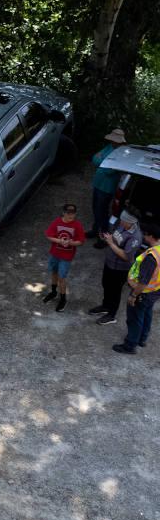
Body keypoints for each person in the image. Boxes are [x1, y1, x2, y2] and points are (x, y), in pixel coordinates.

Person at [89, 211, 142, 325]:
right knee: (106, 284)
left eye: (123, 221)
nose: (121, 222)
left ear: (131, 223)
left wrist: (111, 243)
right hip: (110, 263)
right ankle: (105, 306)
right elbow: (116, 237)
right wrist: (107, 238)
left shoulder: (135, 237)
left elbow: (126, 256)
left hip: (120, 269)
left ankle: (111, 315)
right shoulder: (123, 226)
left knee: (115, 292)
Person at [114, 223, 159, 355]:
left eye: (145, 235)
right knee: (147, 313)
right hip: (155, 291)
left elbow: (143, 282)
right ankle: (142, 339)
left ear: (151, 236)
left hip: (143, 293)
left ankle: (130, 345)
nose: (144, 237)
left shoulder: (152, 257)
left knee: (135, 318)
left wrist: (134, 295)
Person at [42, 203, 86, 312]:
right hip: (55, 254)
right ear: (63, 213)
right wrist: (59, 241)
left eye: (73, 214)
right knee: (54, 272)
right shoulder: (57, 222)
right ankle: (53, 292)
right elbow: (48, 235)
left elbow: (81, 241)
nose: (71, 216)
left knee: (62, 277)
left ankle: (63, 299)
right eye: (68, 213)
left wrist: (71, 243)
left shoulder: (77, 225)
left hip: (66, 256)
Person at [91, 128, 127, 247]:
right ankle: (95, 230)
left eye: (115, 140)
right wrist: (103, 163)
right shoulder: (108, 147)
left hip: (107, 187)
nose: (113, 142)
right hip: (98, 183)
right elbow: (94, 159)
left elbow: (109, 171)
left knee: (102, 211)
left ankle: (103, 238)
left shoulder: (122, 153)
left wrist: (101, 162)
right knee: (95, 208)